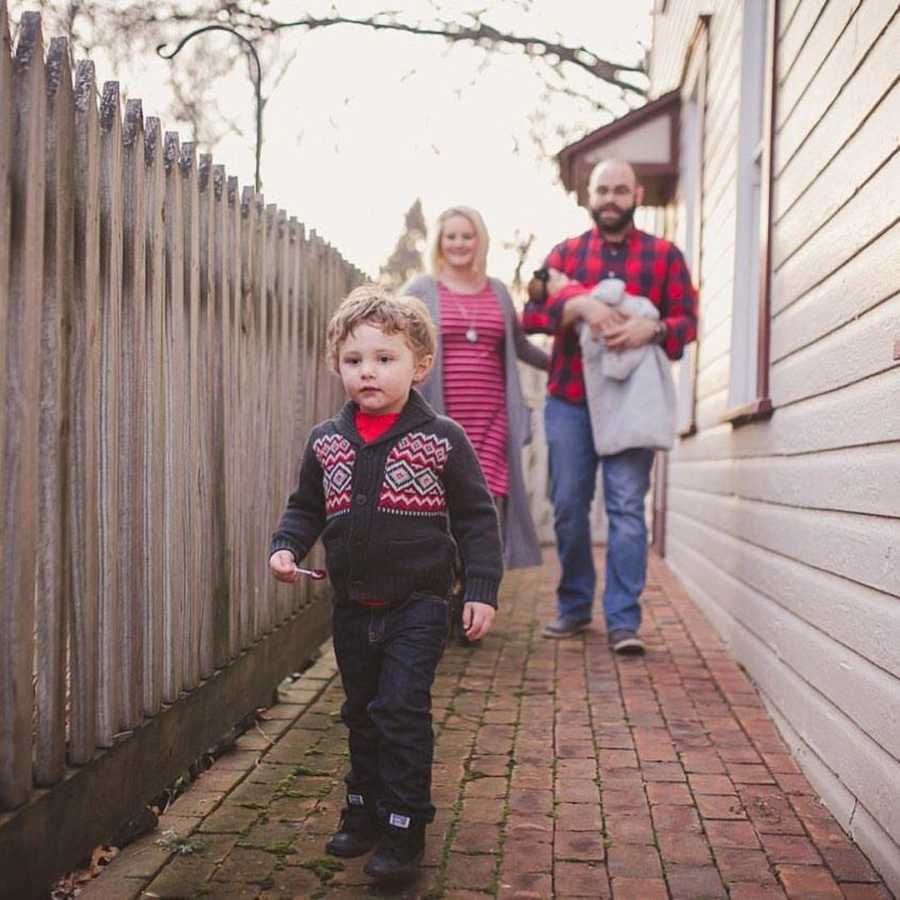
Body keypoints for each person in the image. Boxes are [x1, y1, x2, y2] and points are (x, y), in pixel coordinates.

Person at [269, 285, 502, 882]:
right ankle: (365, 808)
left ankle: (404, 825)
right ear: (337, 365)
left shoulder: (441, 439)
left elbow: (477, 518)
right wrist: (286, 547)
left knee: (400, 709)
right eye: (354, 361)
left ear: (419, 365)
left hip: (420, 604)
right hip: (352, 606)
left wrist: (479, 588)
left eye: (384, 359)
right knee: (361, 711)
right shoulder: (327, 441)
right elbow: (305, 508)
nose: (367, 372)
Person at [523, 159, 697, 653]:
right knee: (569, 507)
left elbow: (688, 319)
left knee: (625, 508)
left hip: (632, 402)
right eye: (603, 190)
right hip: (570, 399)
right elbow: (531, 313)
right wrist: (576, 305)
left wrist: (656, 328)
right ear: (588, 196)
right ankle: (575, 607)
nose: (611, 199)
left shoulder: (665, 257)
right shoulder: (563, 256)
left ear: (637, 195)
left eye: (621, 190)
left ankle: (624, 621)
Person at [402, 206, 549, 642]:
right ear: (439, 242)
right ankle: (442, 596)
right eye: (451, 236)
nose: (460, 244)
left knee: (484, 507)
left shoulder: (499, 292)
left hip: (492, 418)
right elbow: (397, 334)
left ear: (479, 240)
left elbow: (519, 345)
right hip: (439, 418)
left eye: (467, 236)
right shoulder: (421, 289)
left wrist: (565, 363)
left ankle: (470, 598)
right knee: (439, 507)